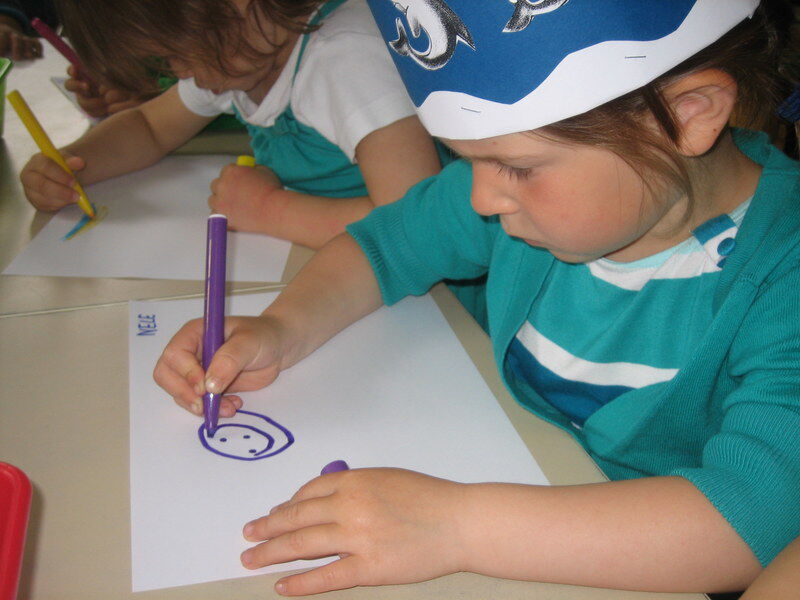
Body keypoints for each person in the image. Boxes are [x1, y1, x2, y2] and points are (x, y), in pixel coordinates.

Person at [153, 0, 800, 596]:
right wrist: (280, 328)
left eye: (516, 167)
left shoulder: (784, 270)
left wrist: (455, 525)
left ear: (686, 117)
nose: (483, 198)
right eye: (467, 160)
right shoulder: (524, 198)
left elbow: (748, 523)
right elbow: (387, 244)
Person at [20, 0, 443, 250]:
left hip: (438, 307)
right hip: (333, 260)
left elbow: (417, 224)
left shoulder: (347, 58)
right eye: (166, 60)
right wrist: (74, 164)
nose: (181, 71)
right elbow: (149, 127)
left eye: (178, 52)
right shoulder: (240, 57)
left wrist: (271, 210)